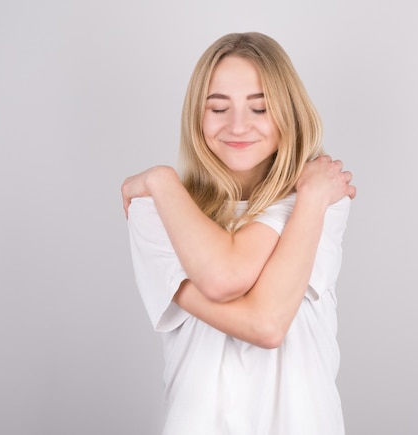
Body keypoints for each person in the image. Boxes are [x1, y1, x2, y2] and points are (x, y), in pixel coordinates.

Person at [122, 32, 356, 435]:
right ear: (197, 114)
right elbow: (231, 285)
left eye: (260, 108)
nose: (238, 126)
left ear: (289, 113)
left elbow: (263, 323)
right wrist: (164, 183)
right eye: (218, 107)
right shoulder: (155, 212)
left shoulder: (322, 197)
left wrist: (160, 181)